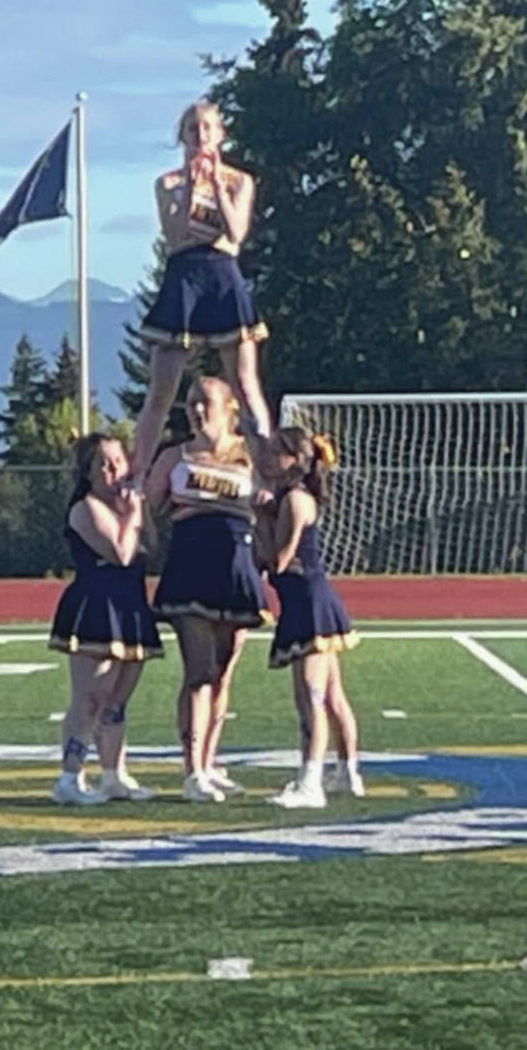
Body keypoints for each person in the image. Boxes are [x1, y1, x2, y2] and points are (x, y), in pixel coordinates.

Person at [130, 100, 272, 480]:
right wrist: (193, 185)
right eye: (193, 129)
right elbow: (175, 236)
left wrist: (217, 185)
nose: (201, 135)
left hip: (223, 272)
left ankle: (267, 470)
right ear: (183, 136)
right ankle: (137, 474)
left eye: (208, 128)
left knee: (244, 384)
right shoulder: (167, 184)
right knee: (161, 389)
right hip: (184, 276)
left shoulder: (240, 181)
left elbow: (236, 232)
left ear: (220, 134)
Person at [144, 376, 270, 803]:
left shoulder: (252, 454)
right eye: (190, 403)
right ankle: (192, 768)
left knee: (222, 672)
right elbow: (150, 506)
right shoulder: (175, 456)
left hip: (237, 567)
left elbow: (269, 506)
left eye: (205, 402)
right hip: (191, 567)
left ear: (230, 406)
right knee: (197, 671)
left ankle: (211, 762)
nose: (197, 410)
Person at [47, 433, 162, 805]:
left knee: (117, 699)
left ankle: (114, 774)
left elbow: (152, 547)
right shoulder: (87, 507)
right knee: (90, 696)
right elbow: (122, 552)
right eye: (104, 463)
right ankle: (70, 777)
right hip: (96, 608)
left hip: (129, 606)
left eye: (118, 461)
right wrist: (131, 515)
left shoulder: (126, 504)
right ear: (89, 471)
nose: (114, 470)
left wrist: (138, 509)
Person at [260, 427, 363, 808]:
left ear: (296, 461)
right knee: (333, 695)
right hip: (309, 599)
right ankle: (348, 772)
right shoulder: (291, 499)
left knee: (311, 697)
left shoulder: (294, 501)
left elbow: (278, 561)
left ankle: (310, 782)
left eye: (276, 453)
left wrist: (259, 520)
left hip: (308, 605)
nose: (267, 459)